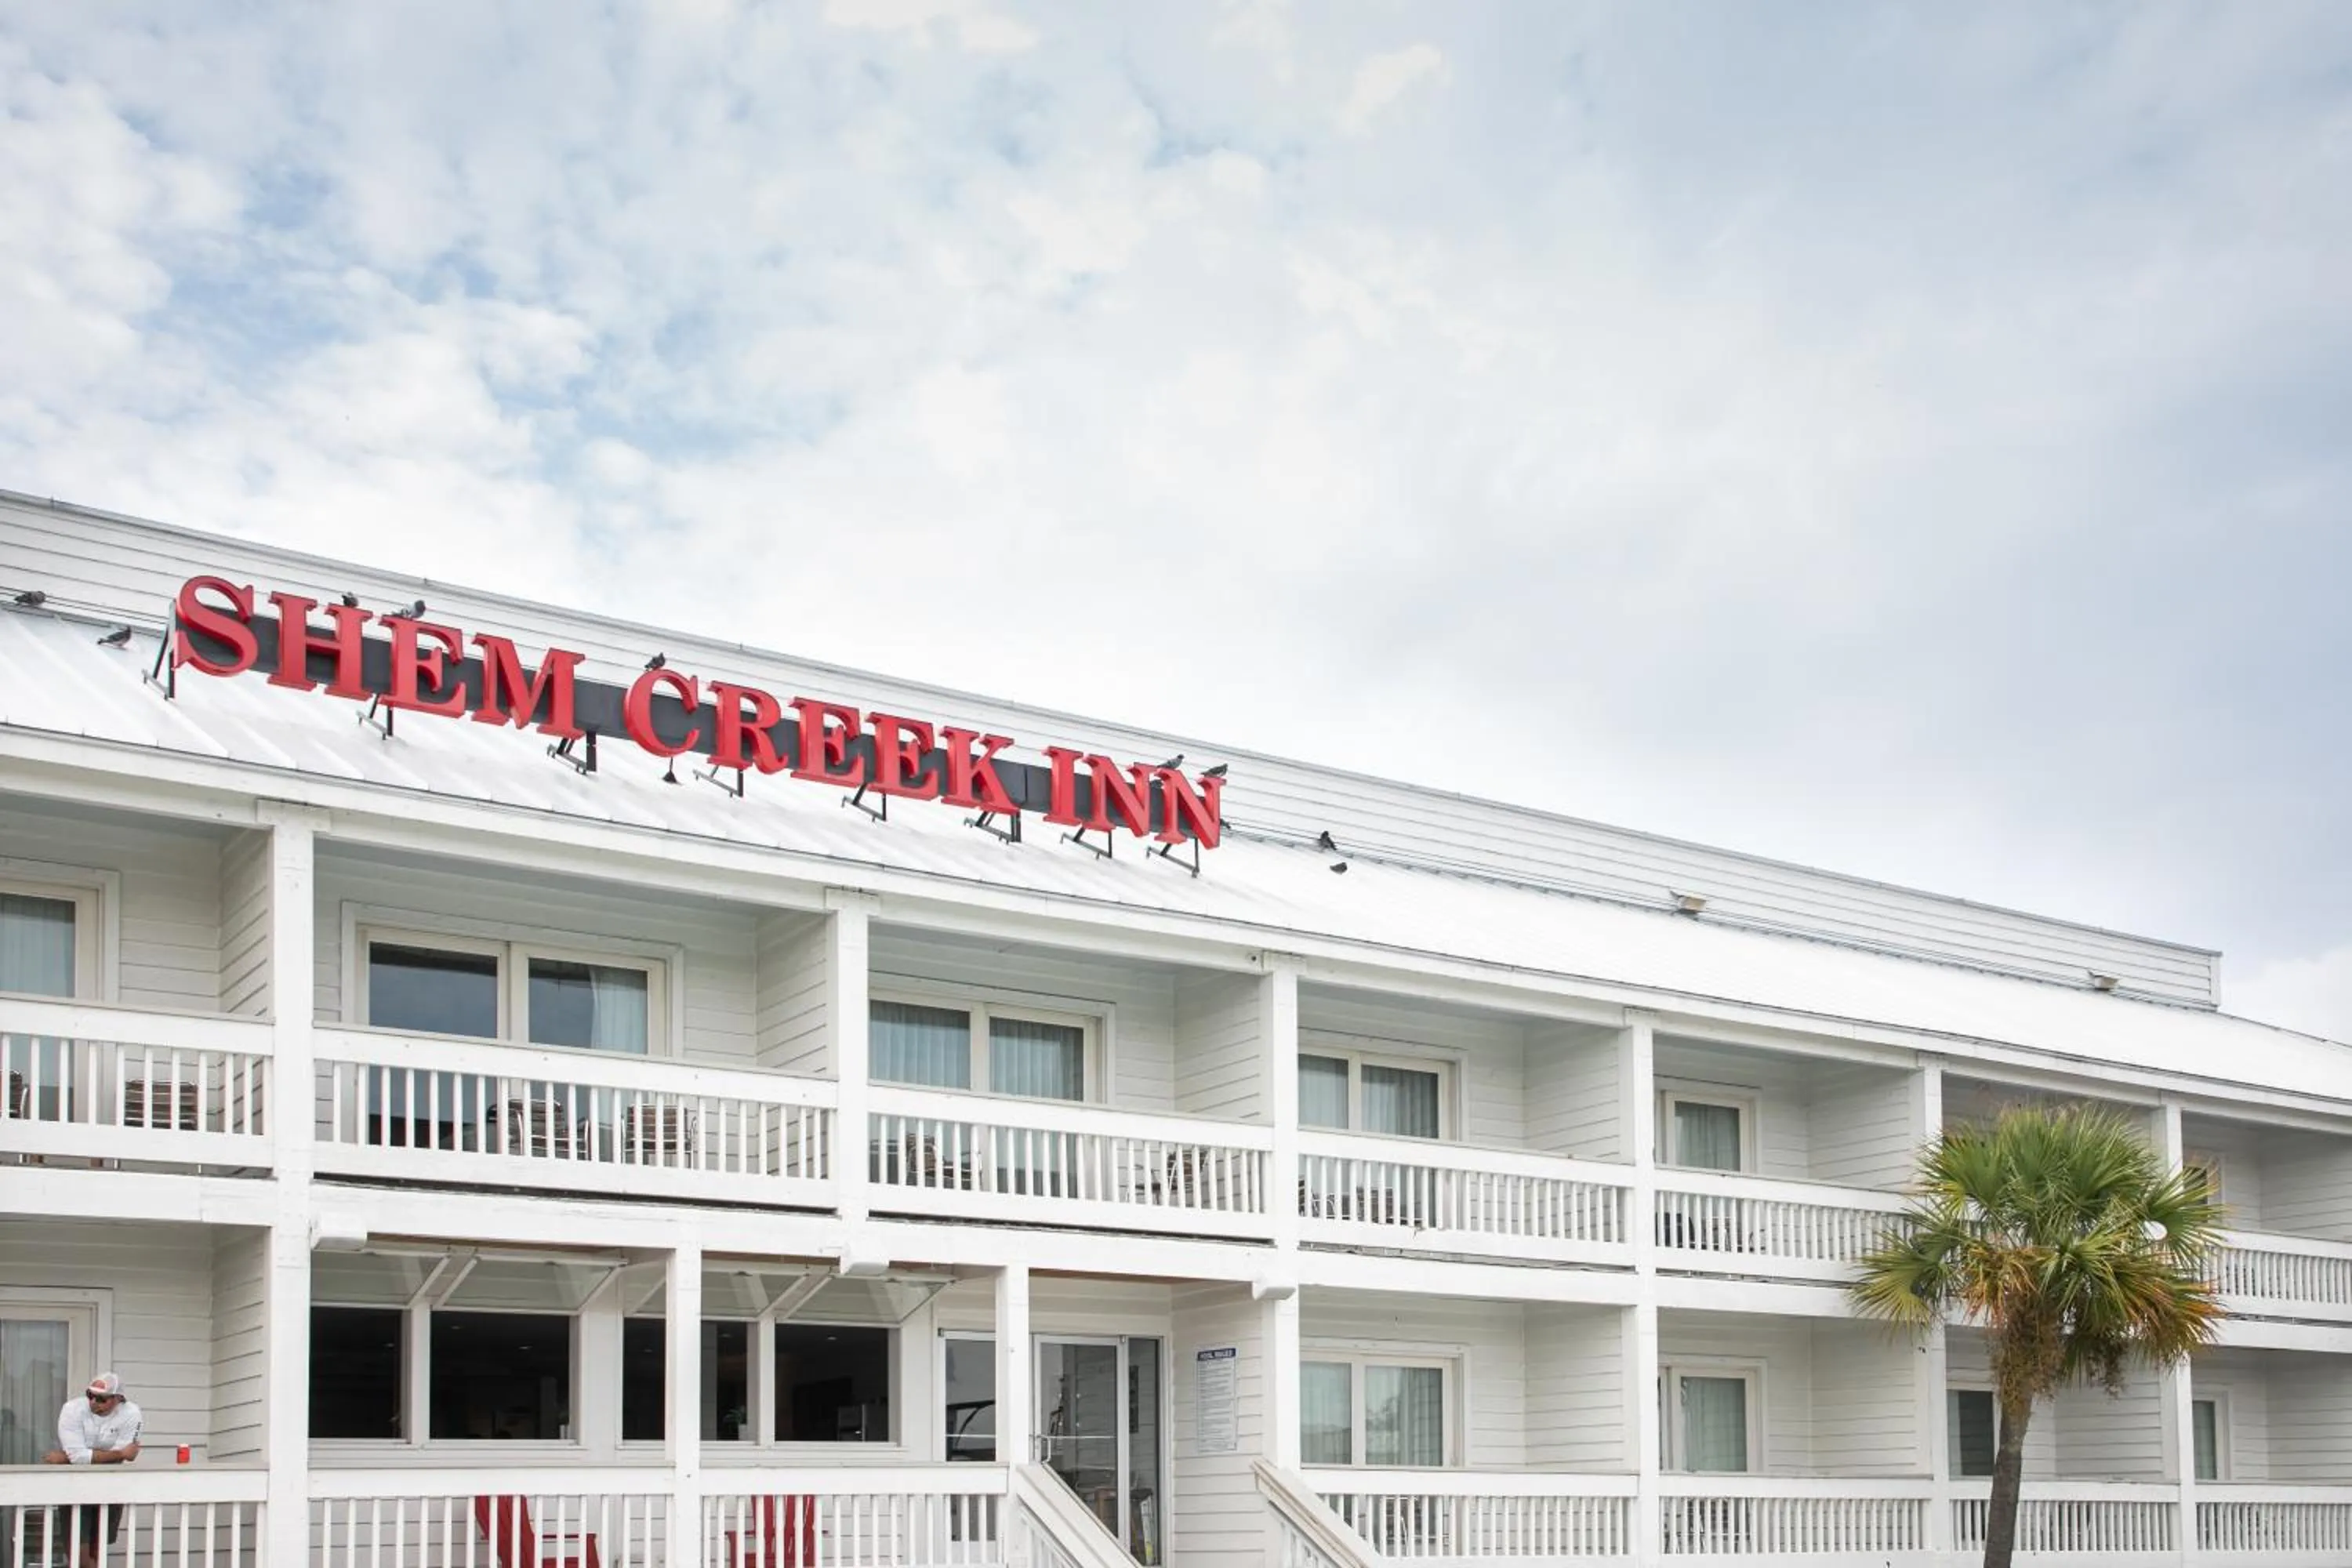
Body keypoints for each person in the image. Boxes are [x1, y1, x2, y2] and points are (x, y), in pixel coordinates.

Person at [41, 1372, 143, 1568]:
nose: (94, 1402)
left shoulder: (131, 1413)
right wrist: (118, 1454)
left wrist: (66, 1458)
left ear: (118, 1399)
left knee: (98, 1549)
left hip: (109, 1485)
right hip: (74, 1486)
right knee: (79, 1554)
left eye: (102, 1398)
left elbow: (124, 1456)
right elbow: (83, 1458)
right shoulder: (73, 1409)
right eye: (90, 1395)